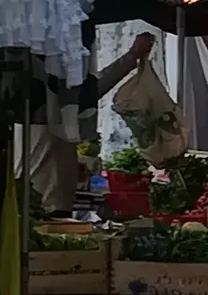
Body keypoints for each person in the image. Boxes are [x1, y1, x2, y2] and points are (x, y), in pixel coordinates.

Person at [22, 32, 155, 216]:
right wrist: (132, 55)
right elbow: (93, 89)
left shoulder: (23, 103)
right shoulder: (52, 103)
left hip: (42, 199)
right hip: (47, 204)